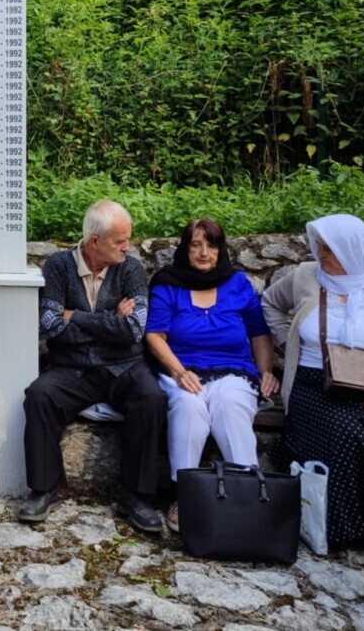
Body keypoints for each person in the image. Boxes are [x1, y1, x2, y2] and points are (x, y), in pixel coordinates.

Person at [261, 214, 364, 555]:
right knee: (345, 431)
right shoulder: (306, 275)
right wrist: (289, 345)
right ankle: (343, 530)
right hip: (313, 385)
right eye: (318, 246)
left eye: (331, 249)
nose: (322, 255)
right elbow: (271, 303)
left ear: (354, 250)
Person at [19, 200, 166, 532]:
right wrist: (109, 322)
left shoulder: (131, 268)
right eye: (119, 240)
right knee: (39, 395)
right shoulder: (58, 266)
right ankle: (44, 489)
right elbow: (50, 325)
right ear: (94, 241)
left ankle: (137, 496)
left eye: (128, 239)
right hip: (74, 369)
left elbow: (134, 330)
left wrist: (77, 316)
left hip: (124, 366)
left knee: (151, 399)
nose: (127, 247)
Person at [144, 218, 279, 533]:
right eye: (196, 245)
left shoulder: (237, 283)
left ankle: (246, 493)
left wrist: (266, 371)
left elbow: (259, 333)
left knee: (231, 405)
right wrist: (178, 372)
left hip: (233, 370)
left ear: (221, 249)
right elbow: (154, 336)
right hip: (181, 370)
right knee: (189, 408)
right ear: (185, 249)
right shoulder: (168, 284)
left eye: (211, 245)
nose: (204, 252)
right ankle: (184, 496)